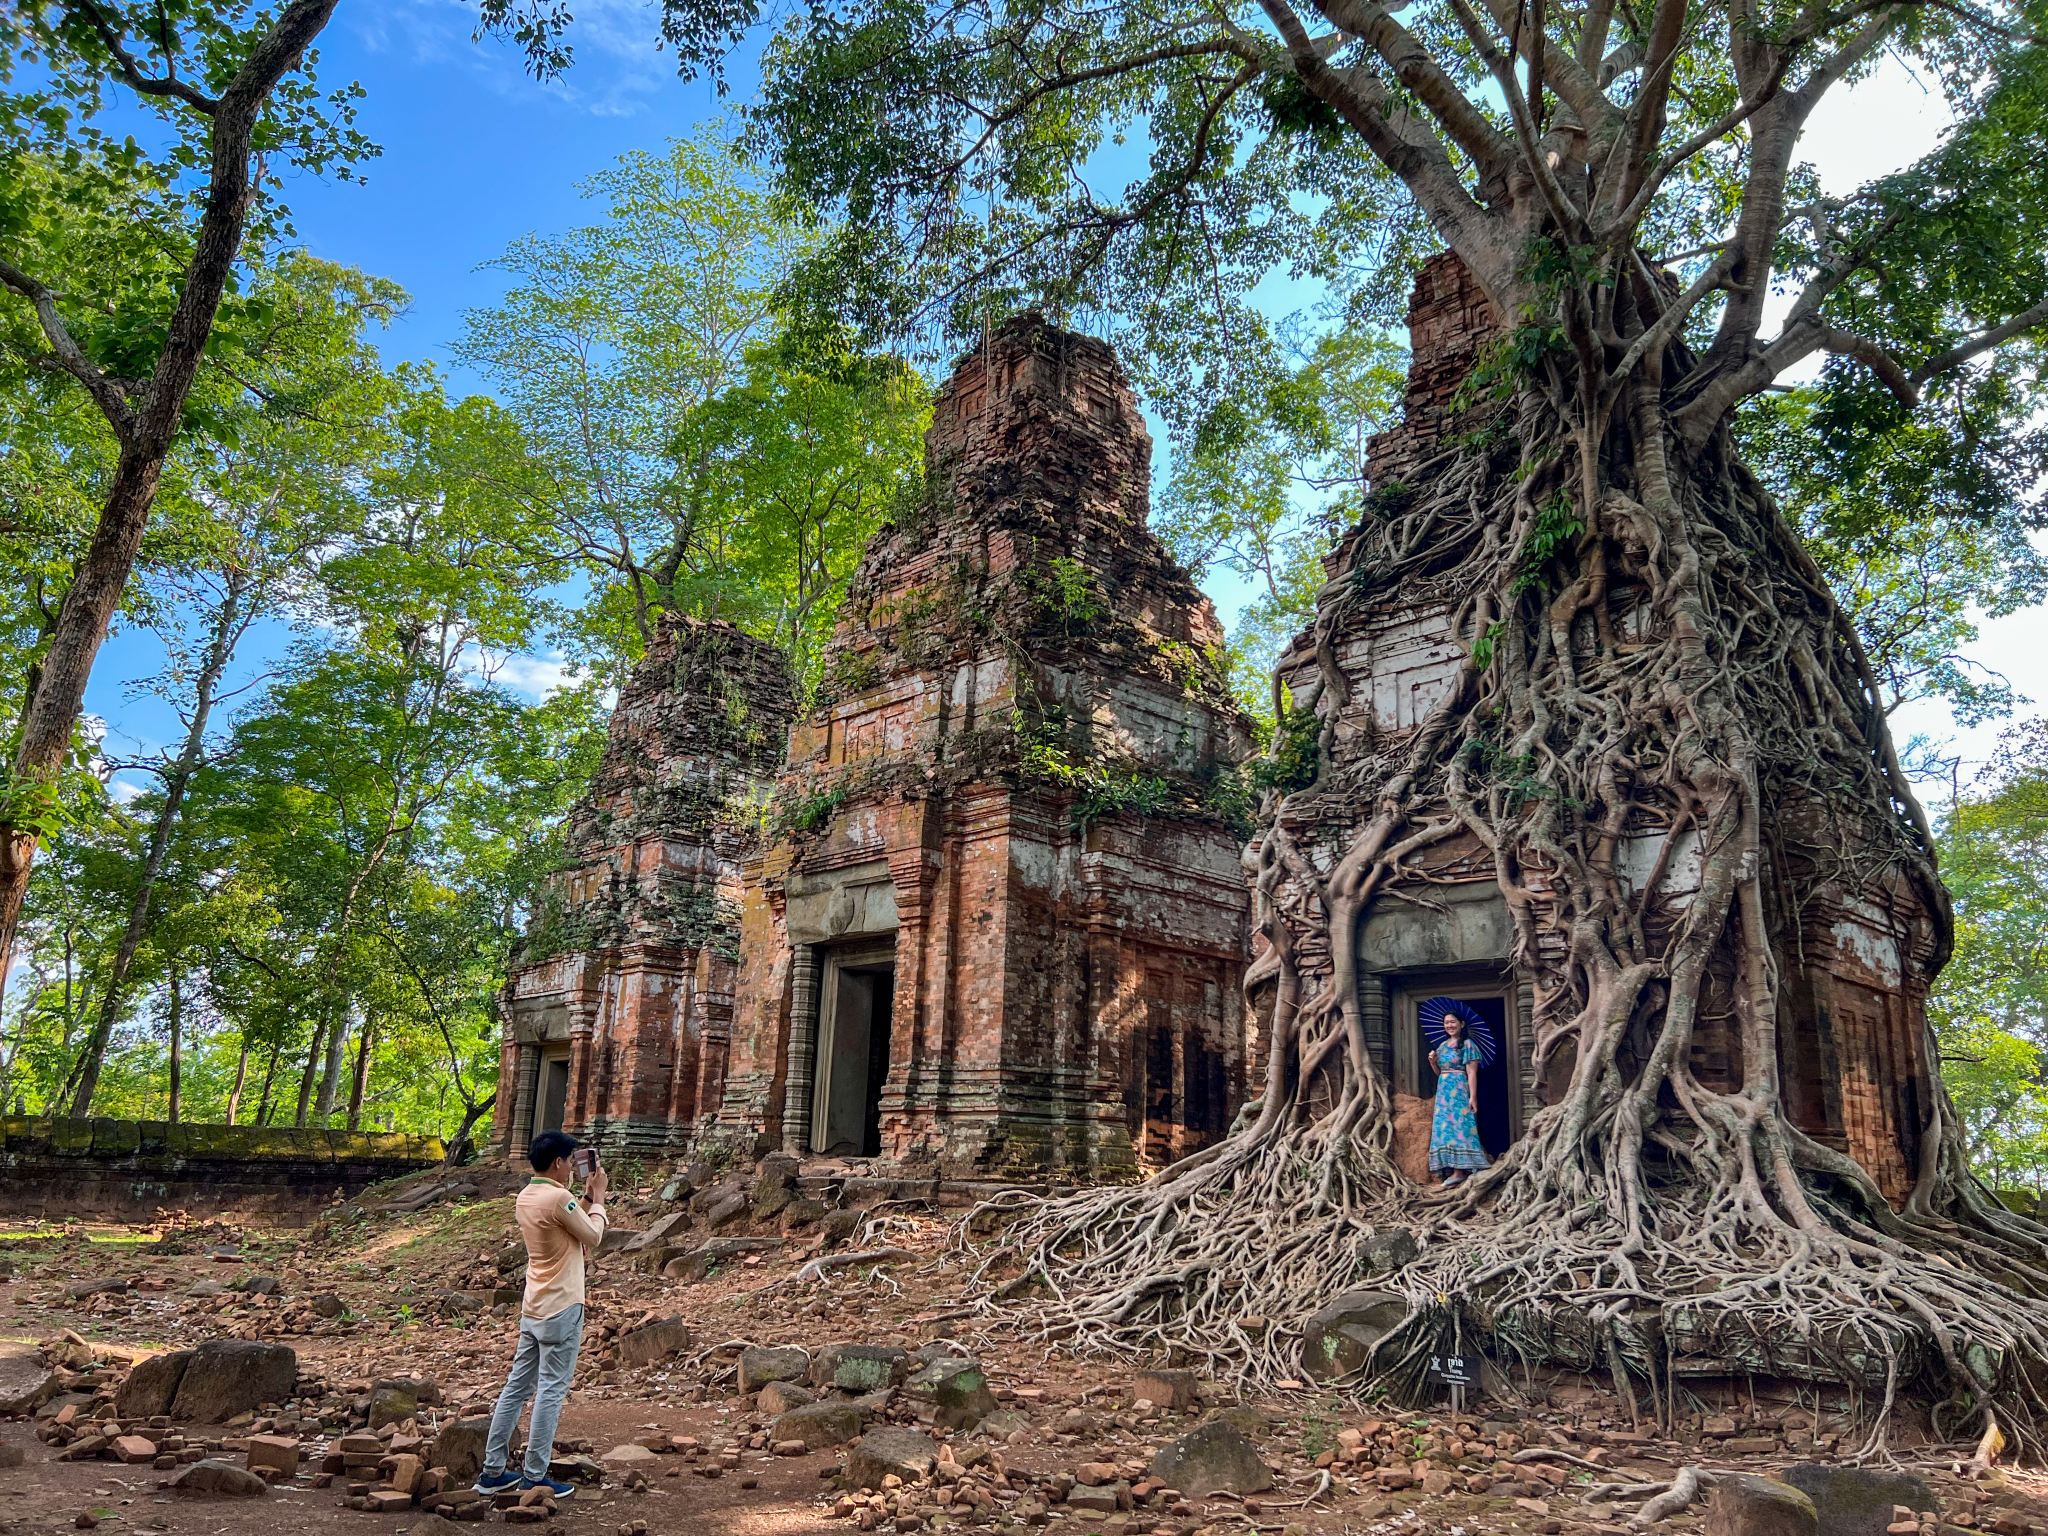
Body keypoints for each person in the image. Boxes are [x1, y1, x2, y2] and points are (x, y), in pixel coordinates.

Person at [474, 1129, 610, 1498]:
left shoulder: (527, 1196)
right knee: (551, 1390)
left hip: (534, 1305)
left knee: (515, 1389)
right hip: (563, 1306)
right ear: (558, 1163)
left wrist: (582, 1198)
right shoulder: (558, 1197)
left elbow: (566, 1224)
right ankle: (535, 1474)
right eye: (570, 1161)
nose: (571, 1167)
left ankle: (492, 1472)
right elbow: (593, 1236)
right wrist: (598, 1198)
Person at [1427, 1009, 1491, 1187]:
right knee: (1444, 1128)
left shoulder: (1468, 1045)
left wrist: (1473, 1097)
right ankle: (1449, 1168)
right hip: (1443, 1092)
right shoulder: (1443, 1045)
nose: (1449, 1025)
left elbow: (1472, 1073)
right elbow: (1440, 1072)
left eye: (1453, 1022)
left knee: (1460, 1126)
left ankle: (1459, 1172)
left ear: (1461, 1024)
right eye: (1446, 1022)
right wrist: (1433, 1062)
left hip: (1460, 1089)